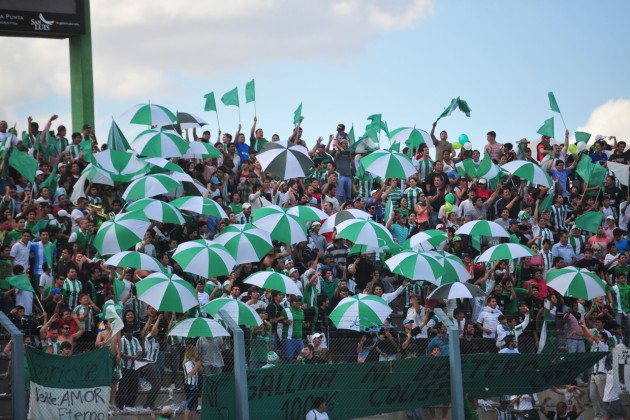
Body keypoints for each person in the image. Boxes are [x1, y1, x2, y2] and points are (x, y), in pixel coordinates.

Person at [182, 343, 203, 420]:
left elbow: (201, 370)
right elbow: (190, 374)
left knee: (194, 406)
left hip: (195, 386)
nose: (197, 353)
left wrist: (199, 365)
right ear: (193, 352)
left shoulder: (193, 362)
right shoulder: (188, 363)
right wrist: (197, 366)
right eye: (196, 352)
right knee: (189, 404)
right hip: (190, 386)